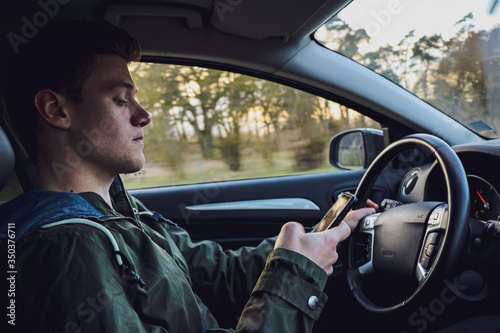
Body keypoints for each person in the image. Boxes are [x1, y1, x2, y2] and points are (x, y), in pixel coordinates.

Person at [0, 20, 377, 332]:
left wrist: (319, 242)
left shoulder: (120, 213)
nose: (143, 115)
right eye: (120, 99)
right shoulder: (65, 249)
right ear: (56, 110)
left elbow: (220, 274)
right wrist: (295, 277)